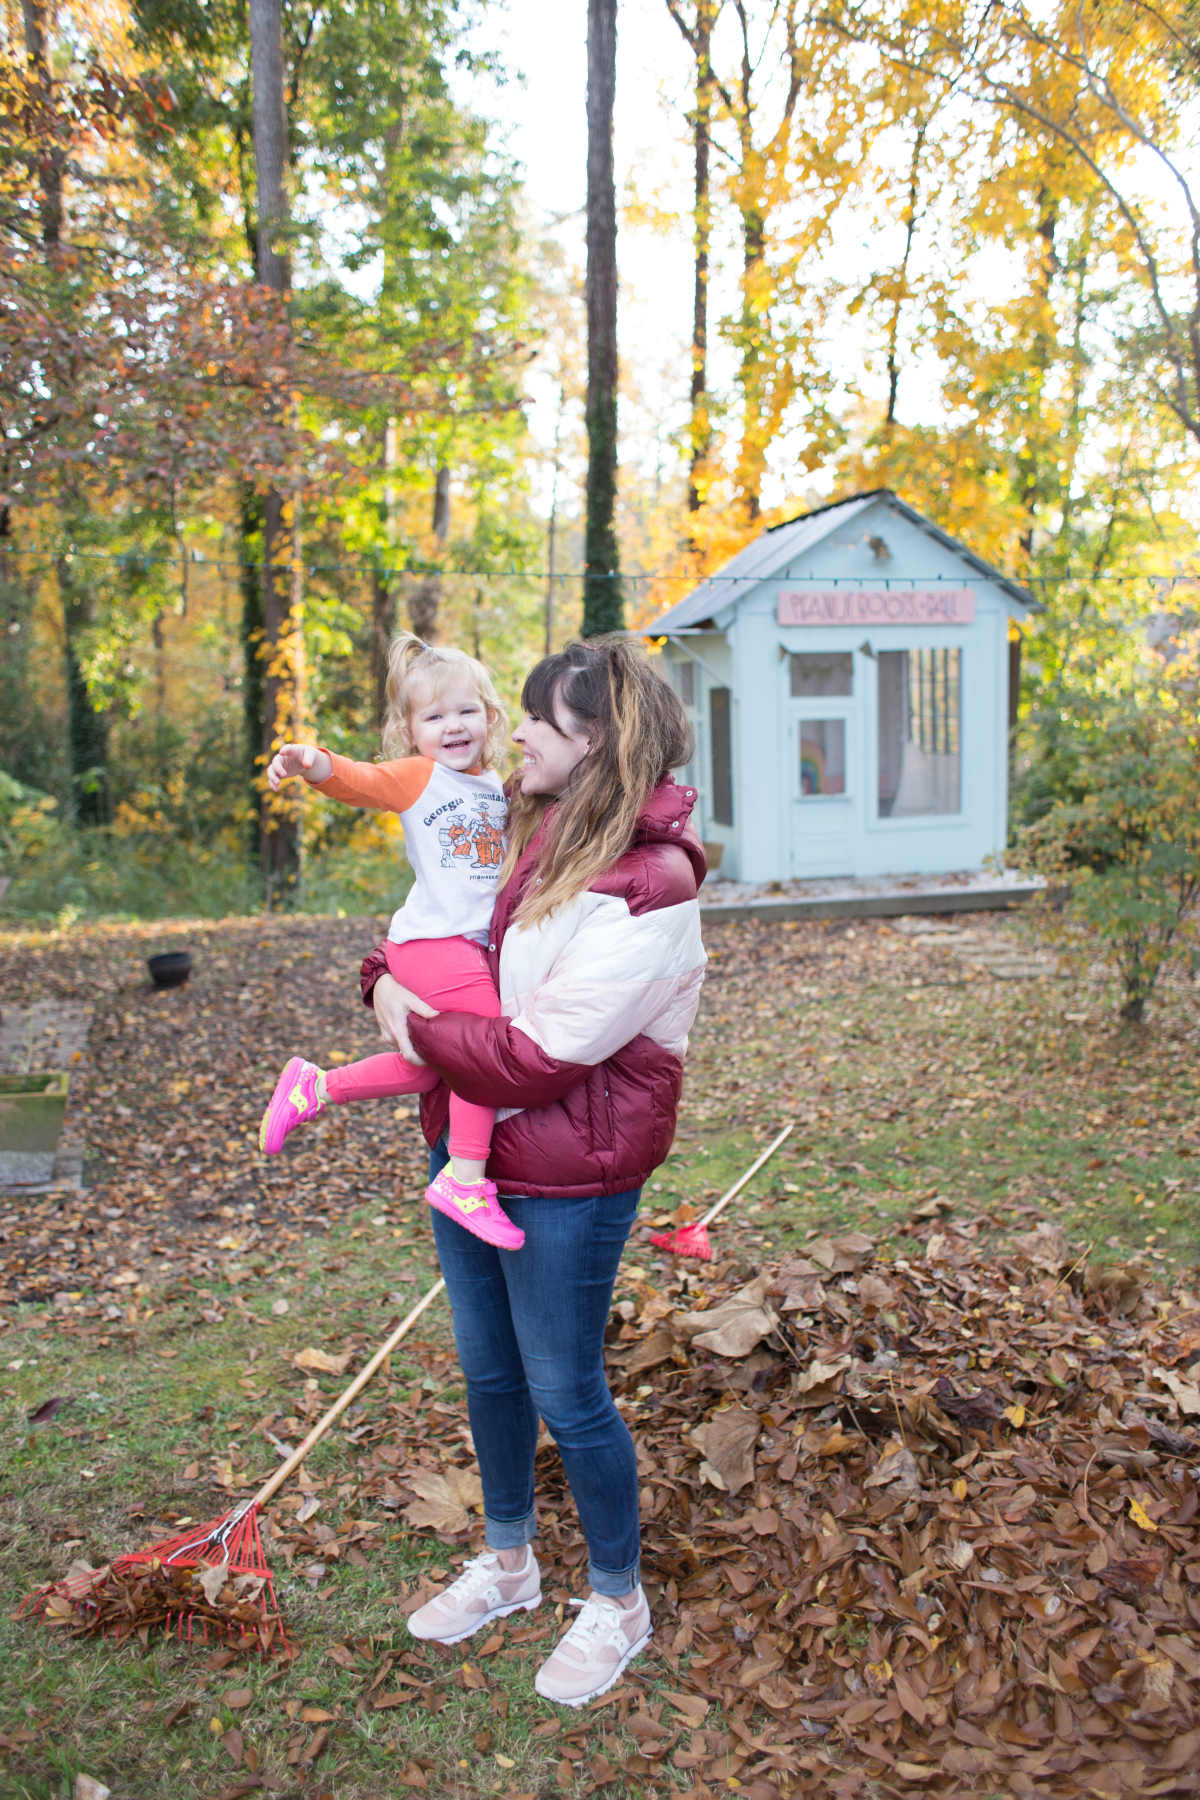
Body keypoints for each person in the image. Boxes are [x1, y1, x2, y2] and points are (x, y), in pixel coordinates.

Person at [361, 637, 707, 1707]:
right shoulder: (534, 825)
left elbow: (536, 1057)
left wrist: (405, 1025)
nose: (517, 735)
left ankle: (617, 1601)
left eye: (541, 723)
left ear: (595, 740)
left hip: (570, 1172)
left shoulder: (652, 884)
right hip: (466, 1153)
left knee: (568, 1388)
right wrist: (383, 977)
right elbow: (446, 935)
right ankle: (509, 1564)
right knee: (490, 1372)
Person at [257, 633, 523, 1252]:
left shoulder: (498, 789)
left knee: (430, 1069)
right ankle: (465, 1179)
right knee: (480, 1047)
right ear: (410, 731)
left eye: (465, 711)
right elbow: (359, 781)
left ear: (490, 716)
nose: (452, 726)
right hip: (434, 943)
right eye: (434, 716)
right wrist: (310, 762)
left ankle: (315, 1086)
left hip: (461, 948)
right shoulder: (419, 777)